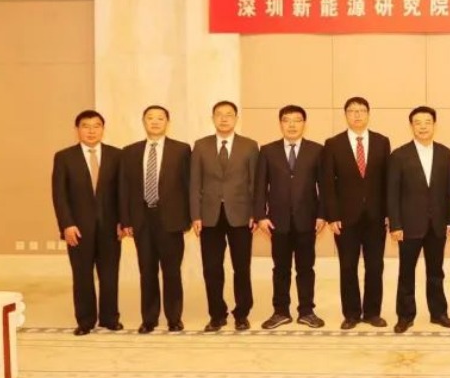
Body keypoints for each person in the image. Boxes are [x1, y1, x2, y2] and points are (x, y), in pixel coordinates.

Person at [118, 105, 191, 334]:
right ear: (144, 122)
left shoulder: (181, 150)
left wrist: (188, 218)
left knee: (172, 272)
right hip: (142, 220)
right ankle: (149, 319)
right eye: (150, 118)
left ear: (167, 122)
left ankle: (174, 318)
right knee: (147, 272)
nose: (155, 122)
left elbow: (188, 185)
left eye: (160, 118)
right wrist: (126, 220)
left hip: (171, 219)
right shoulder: (130, 151)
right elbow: (124, 188)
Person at [51, 110, 122, 336]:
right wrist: (67, 224)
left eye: (96, 126)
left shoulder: (116, 155)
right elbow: (59, 195)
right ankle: (85, 320)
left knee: (109, 275)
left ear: (103, 129)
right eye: (86, 126)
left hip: (111, 227)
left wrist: (123, 221)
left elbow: (123, 192)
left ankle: (110, 318)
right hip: (78, 228)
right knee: (82, 275)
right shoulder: (64, 157)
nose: (91, 131)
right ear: (77, 130)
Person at [190, 101, 259, 332]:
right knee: (211, 268)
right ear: (213, 118)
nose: (224, 118)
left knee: (241, 267)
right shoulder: (201, 146)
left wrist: (255, 213)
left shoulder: (249, 146)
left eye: (229, 114)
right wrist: (195, 215)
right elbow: (194, 183)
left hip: (241, 215)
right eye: (219, 114)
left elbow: (255, 183)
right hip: (209, 216)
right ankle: (217, 314)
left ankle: (242, 313)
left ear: (236, 118)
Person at [254, 105, 326, 330]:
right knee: (280, 269)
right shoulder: (268, 150)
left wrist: (322, 215)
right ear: (280, 124)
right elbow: (260, 186)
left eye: (297, 120)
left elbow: (324, 186)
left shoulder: (317, 150)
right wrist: (260, 216)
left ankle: (307, 311)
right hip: (278, 221)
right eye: (287, 120)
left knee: (306, 268)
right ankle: (280, 311)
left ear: (304, 123)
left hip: (307, 220)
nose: (292, 125)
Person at [387, 106, 450, 334]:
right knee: (406, 273)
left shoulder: (446, 153)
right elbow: (392, 193)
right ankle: (405, 316)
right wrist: (395, 224)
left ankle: (439, 313)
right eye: (418, 123)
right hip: (408, 225)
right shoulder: (399, 155)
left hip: (438, 224)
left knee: (436, 272)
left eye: (427, 122)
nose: (423, 127)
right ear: (411, 126)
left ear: (434, 125)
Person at [322, 97, 391, 330]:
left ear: (368, 114)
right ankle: (351, 314)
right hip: (345, 218)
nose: (357, 115)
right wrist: (332, 216)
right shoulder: (333, 143)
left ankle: (372, 313)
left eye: (361, 110)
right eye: (352, 111)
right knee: (348, 266)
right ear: (346, 115)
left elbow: (387, 180)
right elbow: (328, 183)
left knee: (375, 266)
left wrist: (389, 213)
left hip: (376, 217)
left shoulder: (382, 141)